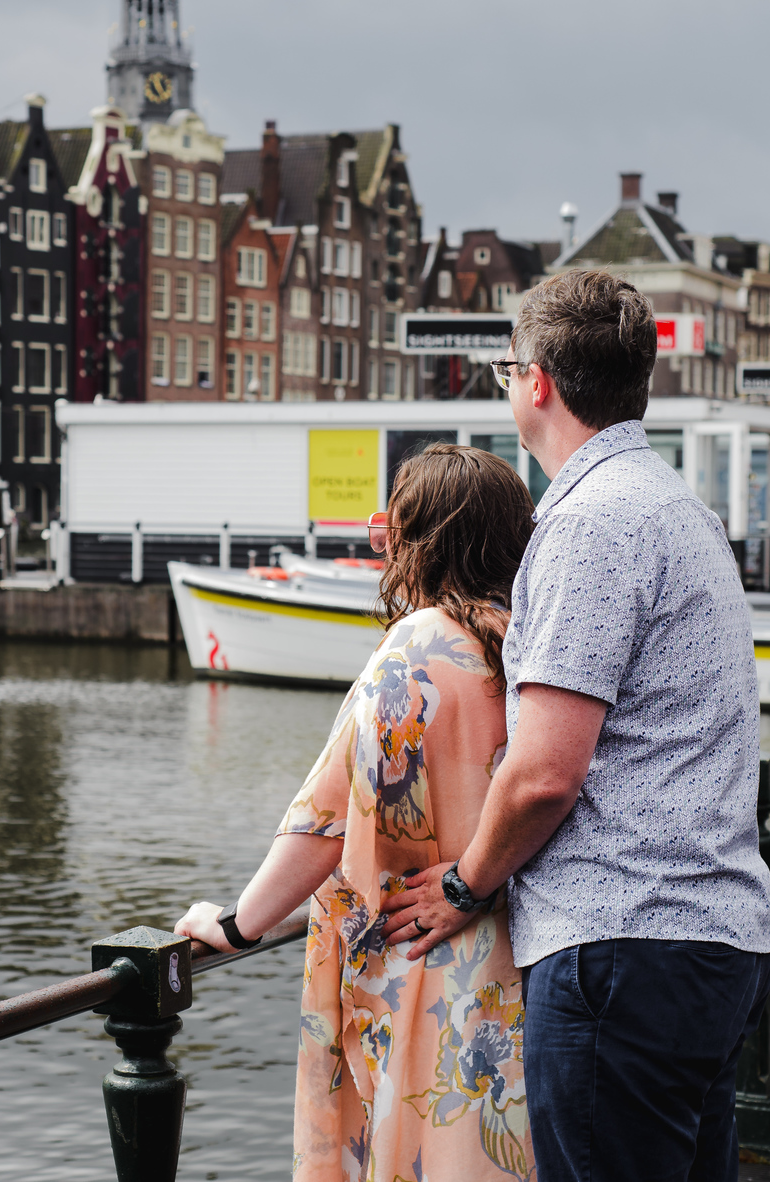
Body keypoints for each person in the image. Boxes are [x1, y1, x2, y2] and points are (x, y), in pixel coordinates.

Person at [384, 269, 770, 1182]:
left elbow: (545, 772)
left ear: (539, 382)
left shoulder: (589, 524)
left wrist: (468, 884)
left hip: (621, 949)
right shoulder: (684, 510)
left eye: (506, 367)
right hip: (716, 941)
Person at [175, 444, 537, 1181]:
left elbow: (328, 819)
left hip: (423, 968)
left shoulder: (420, 647)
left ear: (422, 538)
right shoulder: (527, 644)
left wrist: (240, 923)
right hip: (516, 965)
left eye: (390, 527)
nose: (382, 544)